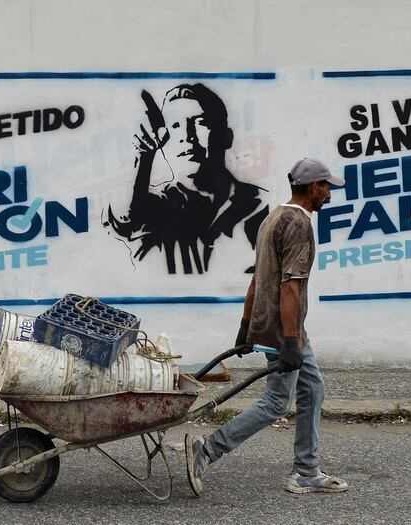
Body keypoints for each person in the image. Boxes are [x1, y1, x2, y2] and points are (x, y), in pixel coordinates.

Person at [185, 158, 349, 495]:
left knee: (313, 389)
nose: (330, 194)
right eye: (327, 187)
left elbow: (258, 278)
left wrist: (246, 326)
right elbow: (290, 286)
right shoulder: (299, 225)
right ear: (313, 187)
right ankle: (208, 448)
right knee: (276, 403)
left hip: (282, 328)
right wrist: (289, 340)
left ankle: (305, 469)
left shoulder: (272, 218)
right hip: (283, 329)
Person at [106, 83, 268, 274]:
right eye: (175, 125)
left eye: (199, 123)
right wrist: (144, 159)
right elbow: (127, 227)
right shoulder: (162, 205)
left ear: (225, 137)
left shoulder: (258, 206)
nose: (186, 136)